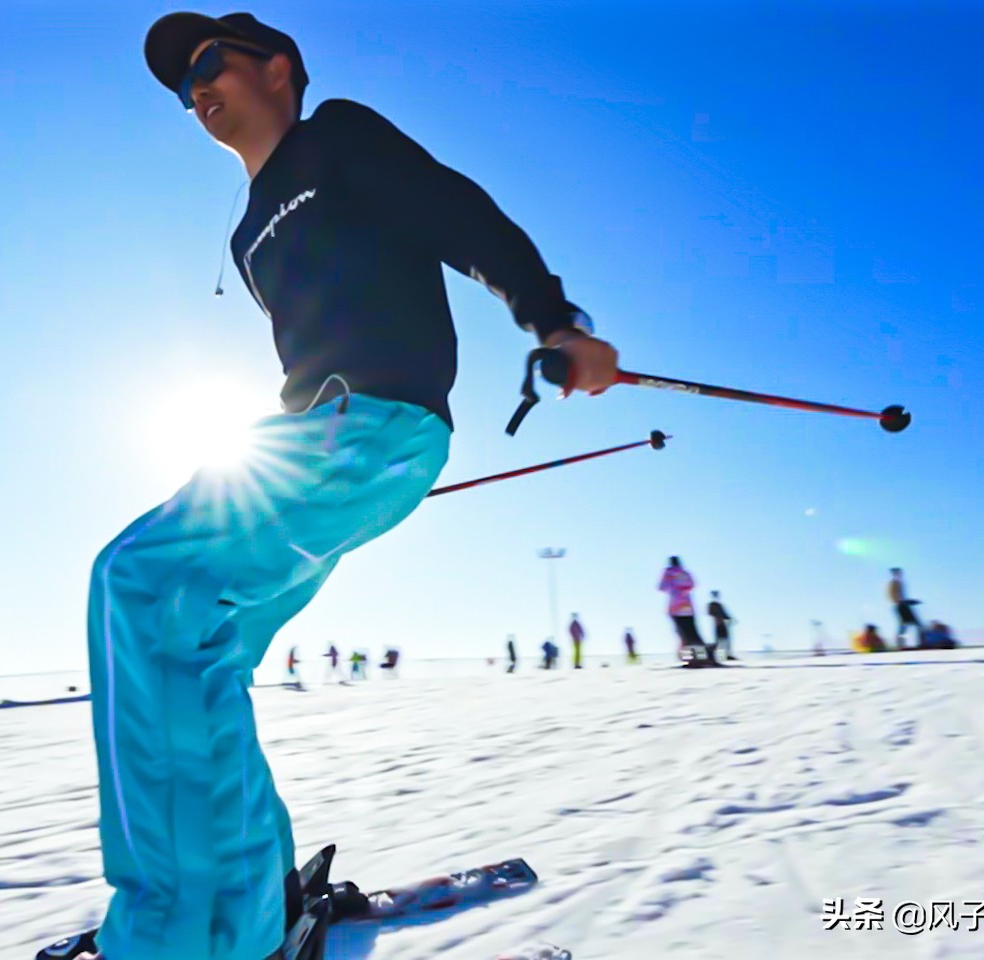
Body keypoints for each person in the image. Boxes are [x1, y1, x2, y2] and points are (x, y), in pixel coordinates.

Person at [74, 11, 621, 960]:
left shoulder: (338, 137)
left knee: (142, 581)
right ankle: (245, 910)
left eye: (211, 61)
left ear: (278, 69)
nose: (196, 88)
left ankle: (183, 937)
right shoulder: (246, 236)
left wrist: (554, 321)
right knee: (196, 649)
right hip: (308, 440)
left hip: (373, 425)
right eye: (182, 85)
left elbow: (459, 215)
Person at [659, 556, 718, 665]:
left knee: (683, 634)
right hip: (688, 607)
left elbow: (661, 587)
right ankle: (703, 657)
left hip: (675, 607)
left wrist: (672, 586)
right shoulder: (686, 573)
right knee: (693, 633)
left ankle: (692, 659)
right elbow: (693, 585)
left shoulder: (668, 573)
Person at [887, 567, 925, 649]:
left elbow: (899, 597)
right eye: (897, 572)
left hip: (903, 605)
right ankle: (901, 644)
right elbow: (895, 597)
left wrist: (909, 602)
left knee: (906, 625)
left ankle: (902, 644)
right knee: (908, 625)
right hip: (901, 606)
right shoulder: (894, 583)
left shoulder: (898, 582)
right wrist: (907, 602)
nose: (899, 574)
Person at [707, 590, 736, 660]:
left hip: (723, 624)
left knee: (725, 640)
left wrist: (730, 619)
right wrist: (718, 618)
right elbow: (710, 613)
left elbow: (725, 614)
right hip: (718, 624)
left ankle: (727, 655)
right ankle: (712, 654)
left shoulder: (719, 605)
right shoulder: (712, 604)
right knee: (719, 640)